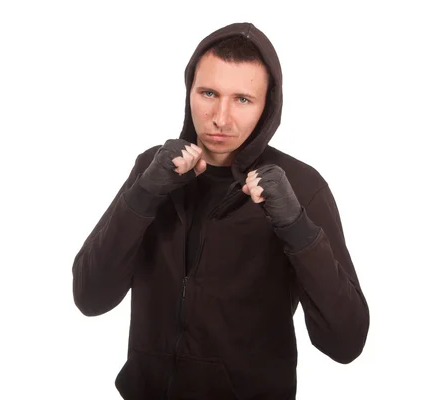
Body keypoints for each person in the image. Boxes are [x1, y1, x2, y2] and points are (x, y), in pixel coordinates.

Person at [72, 22, 370, 400]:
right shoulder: (152, 169)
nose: (220, 117)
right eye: (208, 93)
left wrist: (295, 226)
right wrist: (145, 194)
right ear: (190, 92)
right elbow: (90, 296)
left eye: (243, 99)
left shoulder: (302, 186)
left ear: (267, 107)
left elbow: (346, 343)